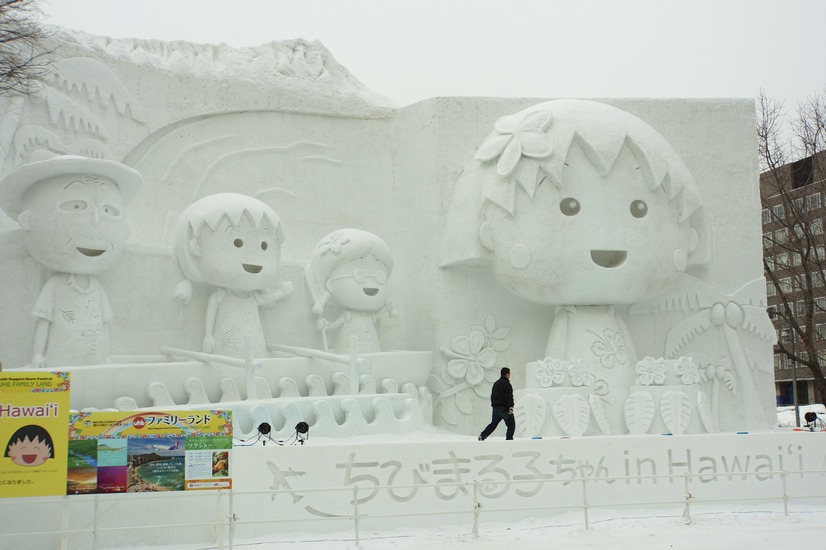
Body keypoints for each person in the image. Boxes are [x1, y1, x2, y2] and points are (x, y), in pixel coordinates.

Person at [0, 155, 142, 367]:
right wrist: (38, 354)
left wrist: (106, 354)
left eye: (108, 211)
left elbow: (103, 324)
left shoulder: (95, 287)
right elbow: (44, 323)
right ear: (27, 220)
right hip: (59, 359)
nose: (96, 221)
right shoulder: (55, 286)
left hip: (95, 360)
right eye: (76, 206)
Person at [173, 193, 292, 358]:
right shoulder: (221, 295)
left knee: (255, 361)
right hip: (227, 344)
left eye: (264, 245)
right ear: (196, 246)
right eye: (237, 242)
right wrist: (208, 336)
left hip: (255, 344)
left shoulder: (252, 297)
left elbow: (266, 299)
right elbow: (211, 314)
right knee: (229, 359)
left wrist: (282, 292)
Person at [305, 228, 394, 354]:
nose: (371, 282)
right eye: (360, 275)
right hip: (348, 352)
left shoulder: (369, 315)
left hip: (373, 353)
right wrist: (326, 324)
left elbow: (379, 314)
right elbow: (335, 324)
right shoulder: (348, 316)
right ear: (330, 285)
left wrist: (388, 308)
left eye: (380, 276)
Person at [479, 367, 515, 440]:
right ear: (507, 374)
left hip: (496, 409)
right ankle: (509, 440)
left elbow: (493, 396)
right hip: (504, 409)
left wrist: (494, 405)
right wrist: (510, 407)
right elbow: (509, 396)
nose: (509, 375)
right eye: (509, 373)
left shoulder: (496, 383)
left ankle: (482, 436)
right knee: (511, 424)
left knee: (493, 424)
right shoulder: (507, 384)